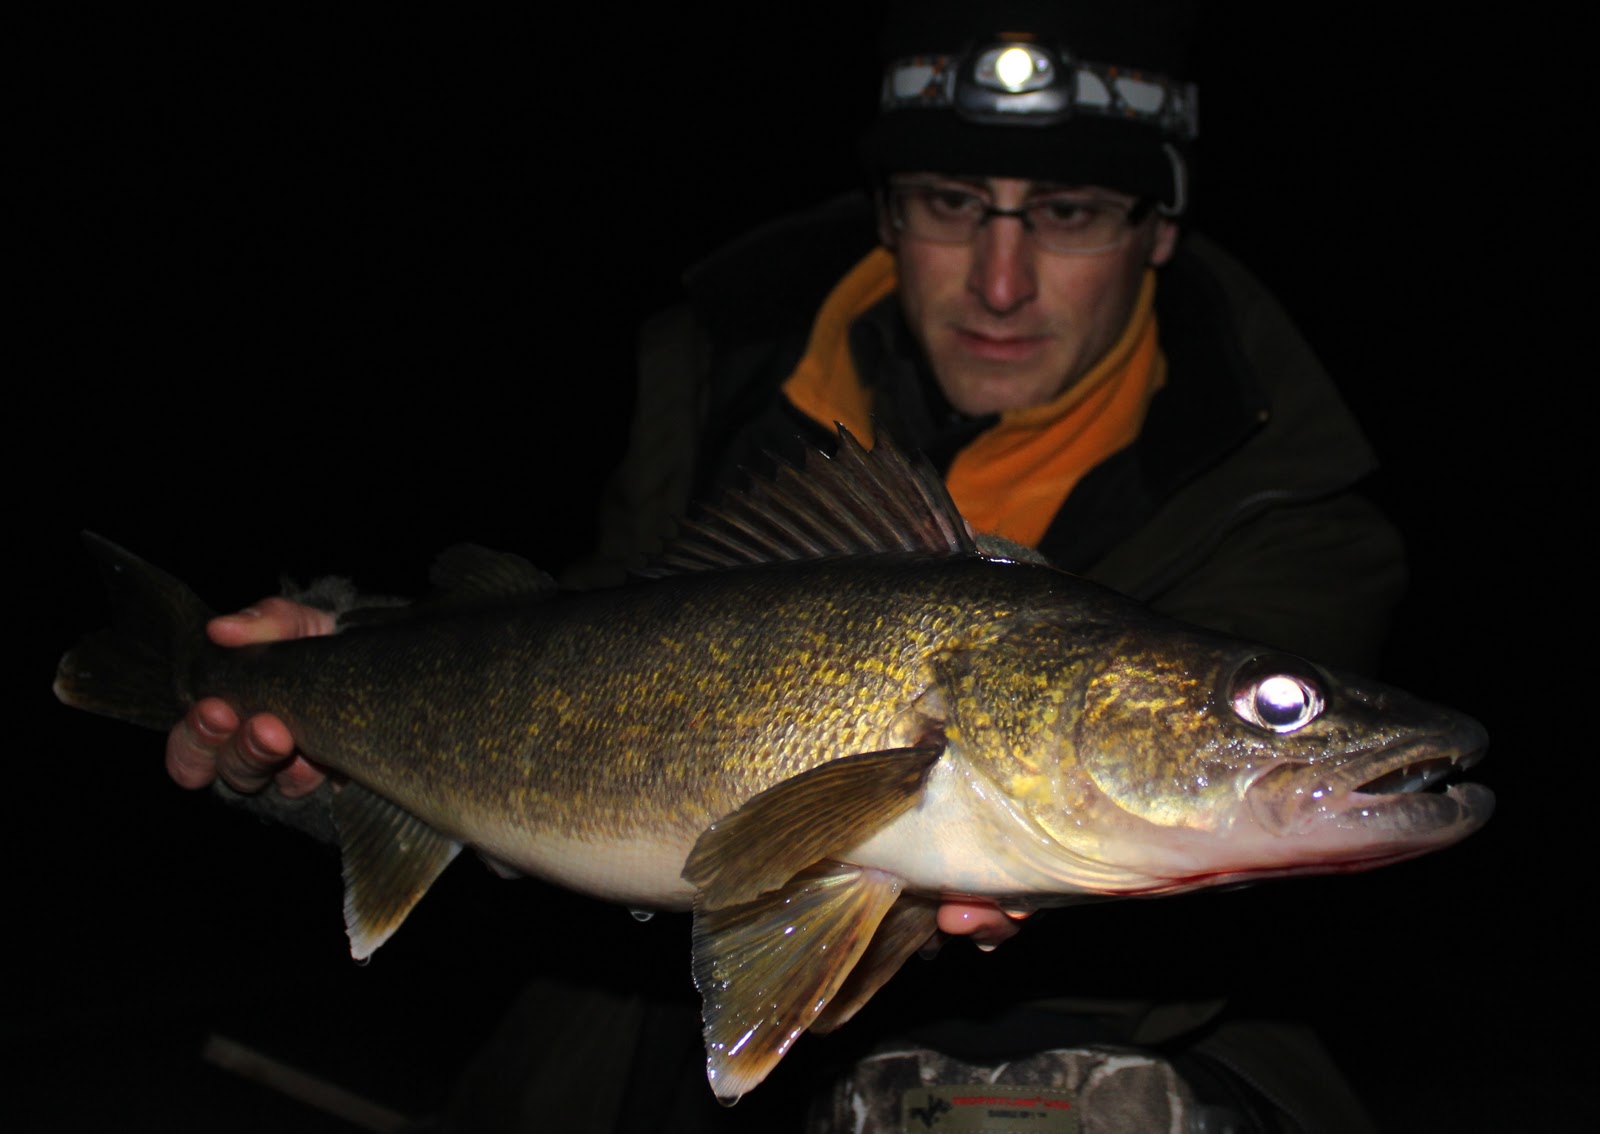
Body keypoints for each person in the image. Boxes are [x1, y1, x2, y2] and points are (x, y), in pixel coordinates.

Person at [165, 3, 1401, 1130]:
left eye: (1069, 213)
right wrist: (333, 667)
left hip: (1133, 1027)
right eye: (952, 202)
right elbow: (573, 647)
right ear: (886, 212)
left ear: (1157, 231)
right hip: (626, 1022)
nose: (1003, 278)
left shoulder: (1293, 501)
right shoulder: (720, 381)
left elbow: (1227, 831)